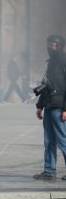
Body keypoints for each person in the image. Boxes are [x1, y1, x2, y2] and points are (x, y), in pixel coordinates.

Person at [34, 35, 66, 181]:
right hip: (48, 105)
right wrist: (40, 106)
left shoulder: (64, 61)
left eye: (52, 44)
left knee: (63, 140)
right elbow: (46, 85)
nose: (49, 47)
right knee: (49, 141)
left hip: (59, 107)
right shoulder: (51, 63)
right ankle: (49, 170)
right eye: (48, 44)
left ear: (59, 46)